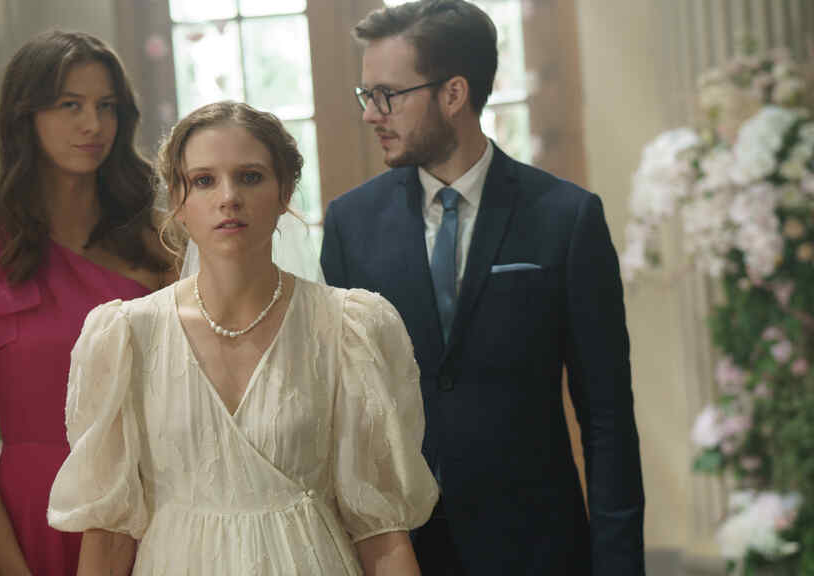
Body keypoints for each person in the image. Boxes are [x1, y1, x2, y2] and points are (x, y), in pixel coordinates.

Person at [320, 1, 646, 574]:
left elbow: (607, 416)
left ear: (453, 94)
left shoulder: (566, 219)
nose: (371, 114)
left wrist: (618, 564)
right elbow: (343, 413)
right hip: (403, 552)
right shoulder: (351, 224)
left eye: (387, 95)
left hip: (538, 548)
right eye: (366, 95)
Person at [47, 101, 438, 575]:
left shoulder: (349, 328)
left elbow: (381, 530)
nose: (228, 197)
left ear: (284, 192)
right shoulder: (127, 336)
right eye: (204, 180)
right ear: (177, 202)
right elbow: (108, 535)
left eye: (250, 177)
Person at [0, 30, 175, 576]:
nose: (93, 125)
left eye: (106, 106)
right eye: (70, 105)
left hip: (153, 510)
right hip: (33, 516)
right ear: (25, 116)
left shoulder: (158, 243)